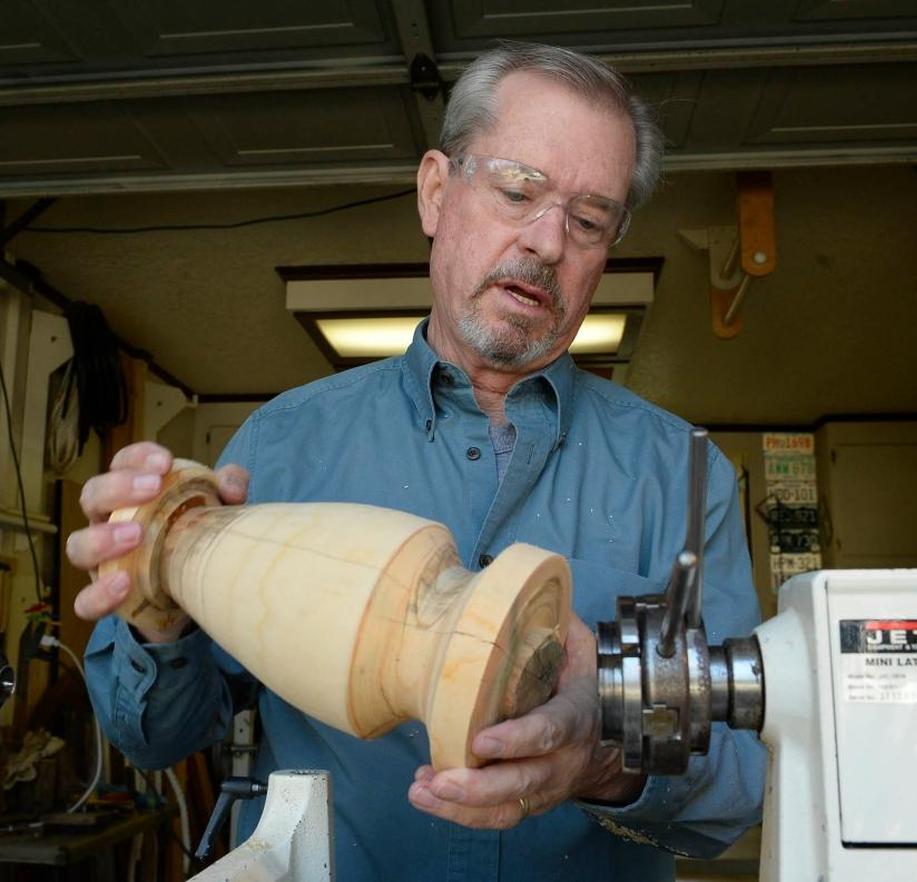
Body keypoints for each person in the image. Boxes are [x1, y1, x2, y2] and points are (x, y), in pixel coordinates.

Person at [66, 42, 765, 881]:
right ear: (437, 191)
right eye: (518, 190)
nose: (546, 241)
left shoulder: (681, 476)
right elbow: (159, 740)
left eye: (587, 221)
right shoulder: (282, 445)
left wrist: (603, 758)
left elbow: (737, 784)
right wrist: (158, 601)